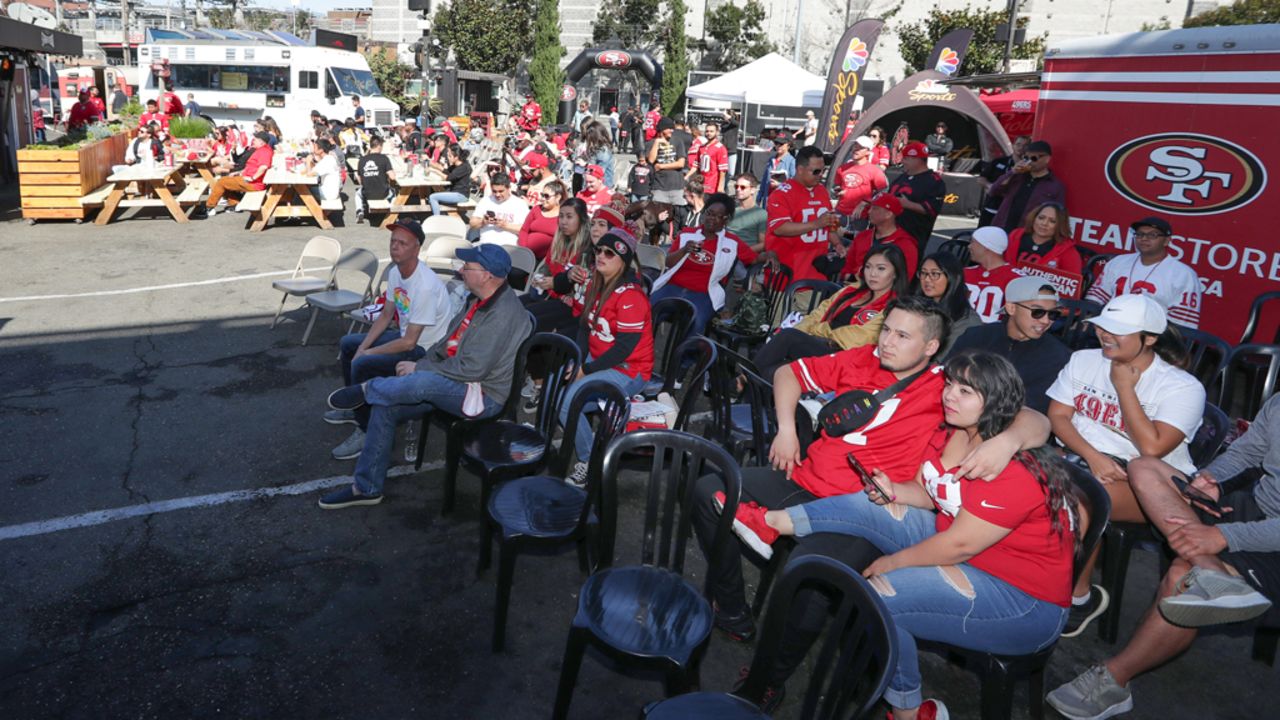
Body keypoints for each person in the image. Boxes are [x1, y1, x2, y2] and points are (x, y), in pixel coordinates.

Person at [691, 295, 1054, 642]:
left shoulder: (946, 387)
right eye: (886, 330)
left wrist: (1007, 441)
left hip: (862, 509)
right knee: (708, 491)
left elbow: (1034, 418)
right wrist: (787, 429)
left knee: (808, 573)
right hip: (805, 479)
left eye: (902, 335)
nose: (887, 342)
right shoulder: (863, 358)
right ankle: (733, 611)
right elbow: (789, 373)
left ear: (930, 348)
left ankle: (770, 680)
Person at [734, 352, 1074, 720]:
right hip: (966, 546)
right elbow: (934, 494)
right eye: (951, 385)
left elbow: (960, 545)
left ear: (995, 401)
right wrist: (895, 490)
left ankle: (910, 712)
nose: (949, 396)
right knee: (874, 503)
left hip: (1019, 598)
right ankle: (772, 522)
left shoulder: (1012, 467)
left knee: (880, 596)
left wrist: (893, 562)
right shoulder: (957, 431)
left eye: (966, 391)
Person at [1046, 396, 1279, 720]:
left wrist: (1225, 536)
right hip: (1253, 510)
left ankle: (1114, 679)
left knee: (1181, 579)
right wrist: (1211, 480)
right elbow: (1247, 451)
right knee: (1145, 467)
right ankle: (1216, 575)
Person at [319, 245, 531, 509]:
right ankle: (367, 487)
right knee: (388, 404)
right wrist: (422, 361)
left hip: (484, 394)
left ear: (487, 275)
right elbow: (446, 344)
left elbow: (474, 369)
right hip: (459, 379)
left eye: (468, 267)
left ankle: (366, 390)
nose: (460, 269)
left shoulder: (502, 314)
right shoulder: (478, 300)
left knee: (423, 381)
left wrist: (420, 369)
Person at [1047, 294, 1205, 637]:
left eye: (1119, 331)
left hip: (1149, 484)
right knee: (1026, 479)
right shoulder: (1084, 360)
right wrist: (1092, 456)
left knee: (1081, 499)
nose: (1105, 335)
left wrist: (1124, 388)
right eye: (1104, 326)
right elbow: (1058, 416)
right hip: (1088, 460)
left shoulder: (1181, 386)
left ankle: (1079, 598)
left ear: (1149, 338)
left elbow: (1152, 448)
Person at [327, 220, 454, 459]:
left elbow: (409, 344)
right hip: (406, 336)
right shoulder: (397, 272)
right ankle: (354, 404)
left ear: (416, 249)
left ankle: (366, 429)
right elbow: (386, 315)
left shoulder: (425, 286)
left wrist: (368, 354)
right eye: (392, 241)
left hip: (424, 349)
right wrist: (363, 346)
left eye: (402, 243)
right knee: (349, 344)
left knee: (362, 363)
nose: (395, 247)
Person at [559, 228, 654, 486]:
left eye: (609, 253)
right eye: (598, 250)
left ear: (622, 260)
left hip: (628, 369)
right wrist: (579, 362)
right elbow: (581, 325)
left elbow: (623, 348)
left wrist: (586, 370)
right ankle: (594, 427)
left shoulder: (631, 296)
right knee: (560, 390)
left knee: (570, 401)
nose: (600, 255)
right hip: (601, 358)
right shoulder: (595, 283)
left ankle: (591, 462)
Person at [753, 245, 908, 380]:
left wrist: (816, 332)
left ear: (895, 273)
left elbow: (859, 338)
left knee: (787, 338)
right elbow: (817, 314)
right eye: (868, 267)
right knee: (776, 369)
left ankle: (743, 382)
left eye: (881, 268)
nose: (872, 274)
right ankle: (749, 393)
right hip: (818, 345)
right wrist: (805, 332)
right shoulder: (851, 290)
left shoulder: (895, 307)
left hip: (845, 357)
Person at [947, 276, 1071, 414]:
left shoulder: (1057, 357)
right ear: (1011, 308)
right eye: (1038, 312)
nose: (1045, 320)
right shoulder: (975, 337)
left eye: (1053, 314)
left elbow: (1032, 408)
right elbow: (946, 375)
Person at [651, 193, 758, 335]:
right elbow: (668, 263)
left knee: (696, 321)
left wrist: (771, 255)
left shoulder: (732, 242)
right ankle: (639, 353)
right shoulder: (687, 234)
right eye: (710, 213)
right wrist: (684, 250)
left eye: (719, 216)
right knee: (647, 309)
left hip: (705, 293)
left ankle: (686, 357)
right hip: (673, 287)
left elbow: (754, 259)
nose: (712, 218)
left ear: (726, 220)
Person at [1086, 216, 1201, 329]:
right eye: (1140, 234)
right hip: (1108, 326)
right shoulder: (1118, 262)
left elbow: (1181, 325)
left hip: (1150, 337)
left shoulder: (1184, 275)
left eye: (1152, 235)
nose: (1144, 238)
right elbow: (1095, 300)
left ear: (1166, 241)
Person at [762, 145, 840, 282]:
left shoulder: (821, 191)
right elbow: (780, 228)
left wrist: (838, 244)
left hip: (817, 272)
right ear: (800, 169)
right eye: (816, 171)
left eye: (823, 171)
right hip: (791, 275)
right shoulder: (782, 194)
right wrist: (816, 224)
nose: (821, 175)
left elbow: (829, 224)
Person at [989, 140, 1067, 233]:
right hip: (1001, 228)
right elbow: (993, 191)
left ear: (1047, 159)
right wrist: (1012, 172)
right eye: (1026, 158)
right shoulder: (1017, 176)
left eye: (1034, 158)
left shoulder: (1055, 186)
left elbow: (1057, 215)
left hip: (1027, 234)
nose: (1030, 162)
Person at [913, 252, 982, 357]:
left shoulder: (967, 321)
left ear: (952, 277)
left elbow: (944, 359)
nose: (927, 279)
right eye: (923, 273)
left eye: (935, 274)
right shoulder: (915, 306)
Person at [886, 141, 946, 250]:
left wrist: (907, 204)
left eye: (906, 158)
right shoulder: (902, 177)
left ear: (918, 160)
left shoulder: (934, 181)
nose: (902, 161)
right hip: (890, 231)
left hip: (913, 236)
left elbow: (932, 209)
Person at [843, 194, 917, 280]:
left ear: (888, 214)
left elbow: (904, 280)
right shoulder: (862, 236)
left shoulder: (906, 245)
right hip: (853, 287)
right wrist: (850, 278)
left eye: (875, 208)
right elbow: (847, 268)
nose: (869, 212)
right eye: (870, 208)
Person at [1003, 201, 1083, 277]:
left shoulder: (1069, 252)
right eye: (1041, 218)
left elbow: (1072, 286)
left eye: (1052, 221)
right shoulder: (1015, 236)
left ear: (1060, 225)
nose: (1044, 224)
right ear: (1034, 218)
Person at [965, 226, 1026, 323]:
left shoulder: (1017, 279)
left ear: (985, 246)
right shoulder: (965, 273)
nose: (969, 246)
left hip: (994, 335)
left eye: (973, 242)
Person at [203, 132, 273, 215]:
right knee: (226, 181)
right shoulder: (262, 150)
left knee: (221, 182)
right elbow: (251, 167)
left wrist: (252, 178)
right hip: (249, 179)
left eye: (255, 140)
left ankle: (209, 208)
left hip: (254, 184)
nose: (253, 141)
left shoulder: (264, 152)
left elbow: (263, 167)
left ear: (261, 142)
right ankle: (234, 205)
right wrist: (238, 172)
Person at [834, 136, 889, 221]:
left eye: (861, 148)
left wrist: (866, 202)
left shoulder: (874, 170)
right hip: (840, 213)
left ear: (868, 152)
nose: (856, 149)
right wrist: (838, 190)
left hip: (860, 216)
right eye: (855, 145)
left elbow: (884, 192)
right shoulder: (842, 168)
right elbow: (837, 185)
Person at [978, 135, 1028, 227]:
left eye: (1025, 145)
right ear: (1013, 145)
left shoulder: (1028, 168)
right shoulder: (999, 161)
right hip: (991, 207)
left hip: (1011, 211)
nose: (1021, 148)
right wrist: (991, 186)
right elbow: (981, 178)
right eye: (1018, 144)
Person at [648, 117, 690, 216]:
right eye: (669, 128)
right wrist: (657, 143)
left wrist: (661, 166)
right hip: (659, 187)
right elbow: (650, 160)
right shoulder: (652, 143)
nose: (672, 130)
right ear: (662, 129)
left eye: (672, 128)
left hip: (677, 186)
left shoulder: (678, 141)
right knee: (659, 217)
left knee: (678, 216)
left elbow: (681, 163)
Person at [517, 180, 564, 262]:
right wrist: (524, 250)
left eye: (546, 196)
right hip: (526, 255)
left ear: (558, 197)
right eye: (542, 195)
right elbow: (524, 230)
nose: (542, 199)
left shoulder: (563, 215)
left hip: (547, 260)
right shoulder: (536, 209)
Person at [353, 135, 394, 223]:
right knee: (394, 192)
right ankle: (393, 213)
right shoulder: (384, 158)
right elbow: (392, 177)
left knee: (357, 193)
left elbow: (360, 181)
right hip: (384, 193)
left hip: (367, 193)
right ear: (379, 145)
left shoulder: (362, 160)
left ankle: (359, 210)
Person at [428, 144, 473, 216]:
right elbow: (446, 171)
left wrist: (434, 171)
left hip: (461, 195)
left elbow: (448, 177)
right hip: (455, 192)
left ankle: (436, 219)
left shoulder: (464, 167)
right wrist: (433, 165)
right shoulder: (457, 165)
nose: (448, 158)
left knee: (432, 197)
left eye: (450, 156)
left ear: (456, 157)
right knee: (433, 195)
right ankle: (440, 215)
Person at [727, 173, 767, 253]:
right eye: (736, 186)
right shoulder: (730, 209)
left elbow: (763, 244)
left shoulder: (761, 214)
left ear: (753, 190)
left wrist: (743, 252)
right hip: (726, 251)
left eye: (742, 187)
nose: (738, 189)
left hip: (747, 256)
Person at [690, 122, 729, 194]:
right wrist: (687, 177)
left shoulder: (720, 148)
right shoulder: (701, 147)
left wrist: (720, 187)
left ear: (717, 132)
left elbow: (723, 170)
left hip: (712, 186)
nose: (709, 133)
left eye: (711, 131)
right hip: (701, 184)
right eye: (707, 131)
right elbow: (696, 166)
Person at [757, 133, 796, 207]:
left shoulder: (792, 162)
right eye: (776, 143)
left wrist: (779, 185)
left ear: (788, 145)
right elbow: (764, 180)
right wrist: (759, 197)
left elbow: (794, 185)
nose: (778, 146)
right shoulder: (771, 159)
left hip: (782, 202)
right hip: (768, 200)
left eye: (781, 144)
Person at [304, 138, 342, 205]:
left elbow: (309, 174)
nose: (313, 149)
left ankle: (299, 212)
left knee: (303, 189)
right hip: (332, 192)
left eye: (315, 147)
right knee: (305, 187)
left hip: (327, 194)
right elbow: (315, 169)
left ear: (321, 150)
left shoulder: (326, 161)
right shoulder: (329, 158)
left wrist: (307, 161)